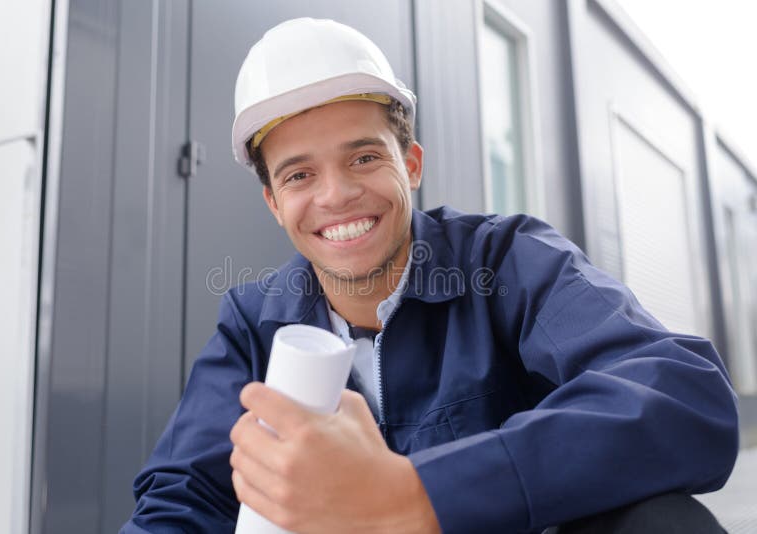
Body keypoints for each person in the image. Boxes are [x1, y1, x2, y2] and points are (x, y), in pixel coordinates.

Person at [122, 18, 738, 533]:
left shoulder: (505, 262)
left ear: (411, 165)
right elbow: (180, 499)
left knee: (662, 520)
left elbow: (685, 397)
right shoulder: (252, 324)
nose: (336, 195)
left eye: (364, 157)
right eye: (299, 175)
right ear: (274, 203)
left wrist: (415, 493)